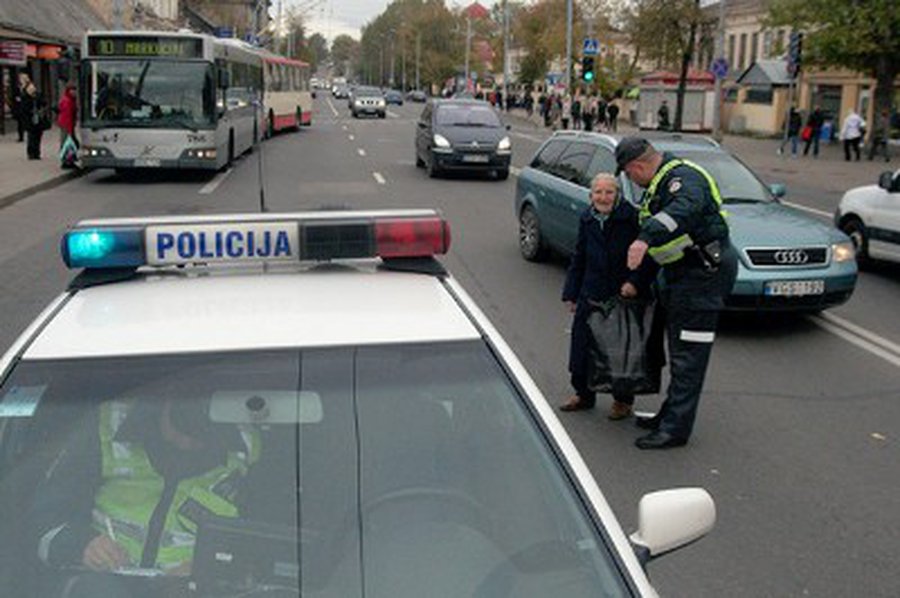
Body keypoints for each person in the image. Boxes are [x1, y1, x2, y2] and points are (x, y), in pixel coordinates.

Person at [30, 397, 260, 597]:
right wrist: (81, 544)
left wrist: (209, 569)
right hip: (100, 584)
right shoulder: (106, 425)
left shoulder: (250, 449)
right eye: (183, 426)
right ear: (166, 403)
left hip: (197, 590)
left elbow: (272, 546)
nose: (187, 443)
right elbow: (42, 519)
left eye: (201, 434)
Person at [616, 136, 738, 449]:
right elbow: (666, 246)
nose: (631, 180)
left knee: (689, 358)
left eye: (629, 174)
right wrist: (637, 280)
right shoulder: (659, 184)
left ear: (638, 166)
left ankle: (675, 430)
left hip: (703, 279)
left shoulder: (683, 178)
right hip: (684, 278)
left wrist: (644, 237)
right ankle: (669, 416)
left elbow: (685, 209)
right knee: (679, 352)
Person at [560, 173, 657, 420]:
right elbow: (579, 256)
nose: (603, 197)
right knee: (581, 348)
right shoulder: (587, 218)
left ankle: (622, 400)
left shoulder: (632, 218)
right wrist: (571, 292)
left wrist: (635, 282)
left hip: (622, 293)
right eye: (598, 192)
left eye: (609, 192)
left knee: (619, 350)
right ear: (591, 195)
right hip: (590, 292)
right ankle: (583, 394)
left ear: (617, 194)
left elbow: (649, 257)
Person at [21, 80, 47, 160]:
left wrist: (37, 98)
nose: (32, 90)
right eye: (30, 89)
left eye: (33, 88)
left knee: (38, 137)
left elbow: (44, 103)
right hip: (30, 120)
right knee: (31, 137)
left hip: (38, 120)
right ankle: (31, 153)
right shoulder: (25, 97)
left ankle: (37, 153)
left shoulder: (38, 96)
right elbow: (24, 109)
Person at [57, 80, 79, 167]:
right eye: (72, 90)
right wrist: (70, 129)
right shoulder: (67, 101)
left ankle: (70, 160)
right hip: (66, 125)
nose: (74, 92)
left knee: (70, 143)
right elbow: (67, 116)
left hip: (68, 124)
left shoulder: (71, 100)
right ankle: (66, 161)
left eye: (75, 90)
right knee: (67, 143)